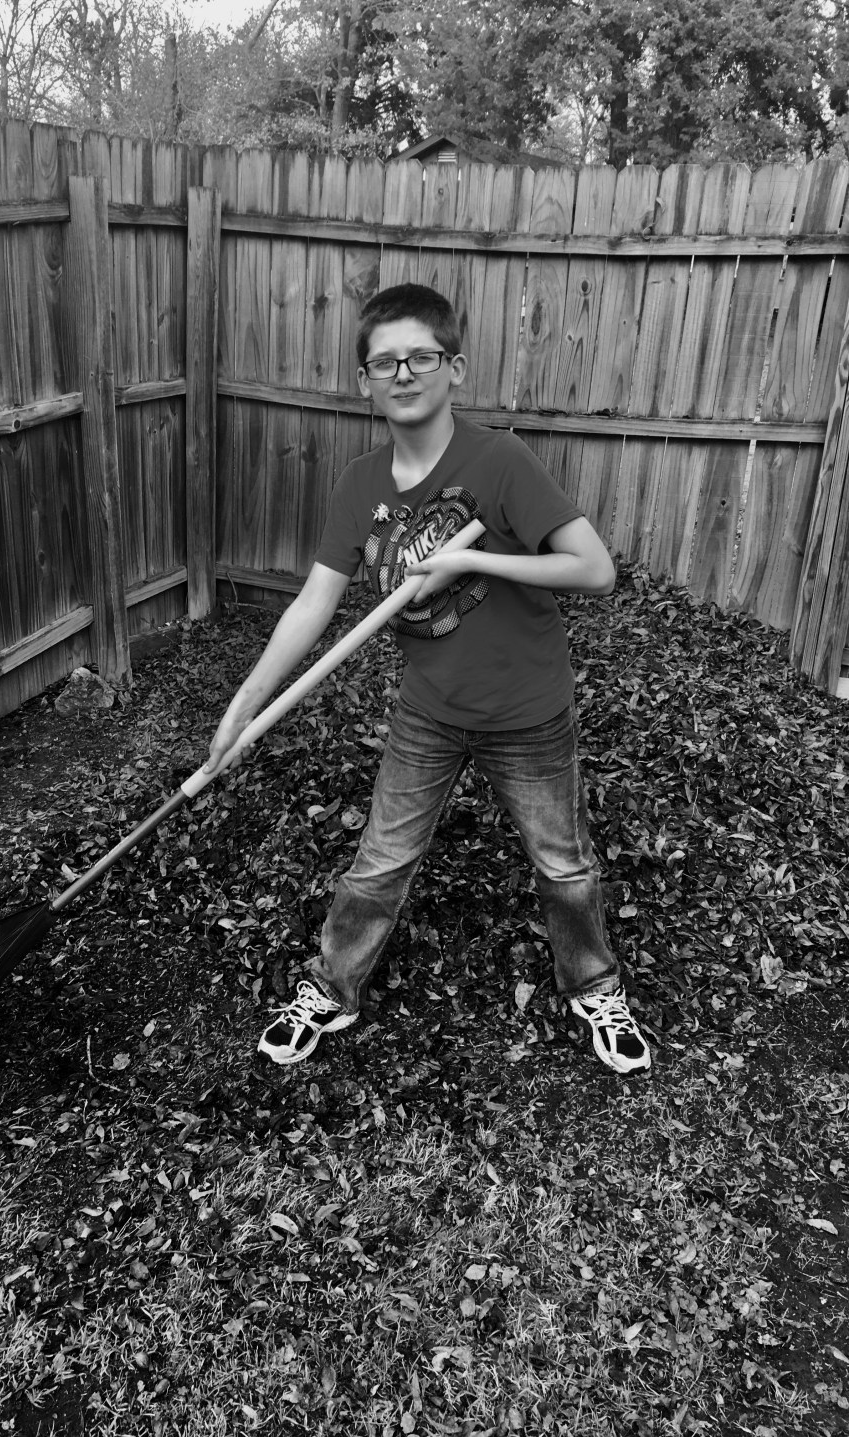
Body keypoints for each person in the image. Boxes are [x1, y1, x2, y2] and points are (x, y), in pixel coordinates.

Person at [204, 283, 651, 1077]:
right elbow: (313, 605)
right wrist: (242, 708)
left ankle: (595, 984)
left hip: (528, 711)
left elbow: (594, 569)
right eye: (385, 361)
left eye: (421, 356)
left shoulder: (499, 461)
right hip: (430, 712)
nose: (404, 372)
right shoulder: (359, 485)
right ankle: (331, 987)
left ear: (456, 368)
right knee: (380, 860)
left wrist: (475, 558)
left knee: (564, 863)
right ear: (364, 381)